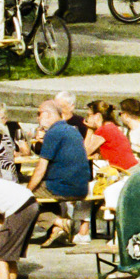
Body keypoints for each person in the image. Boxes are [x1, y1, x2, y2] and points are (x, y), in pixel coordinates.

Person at [30, 99, 95, 247]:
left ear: (47, 114)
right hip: (82, 186)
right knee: (42, 194)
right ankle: (57, 231)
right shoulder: (72, 130)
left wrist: (27, 190)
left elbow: (40, 169)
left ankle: (60, 222)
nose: (37, 117)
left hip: (62, 187)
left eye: (39, 113)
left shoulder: (53, 133)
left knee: (24, 198)